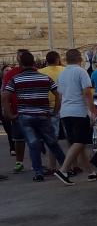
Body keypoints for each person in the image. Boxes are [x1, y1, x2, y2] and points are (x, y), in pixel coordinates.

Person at [1, 52, 71, 183]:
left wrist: (10, 114)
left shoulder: (16, 79)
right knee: (52, 142)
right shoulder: (44, 78)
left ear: (21, 63)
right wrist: (55, 111)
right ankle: (65, 168)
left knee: (33, 144)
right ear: (33, 62)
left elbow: (4, 96)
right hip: (43, 115)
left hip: (25, 116)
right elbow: (58, 94)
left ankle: (38, 173)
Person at [57, 49, 97, 182]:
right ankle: (63, 170)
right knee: (80, 141)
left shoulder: (62, 74)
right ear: (80, 58)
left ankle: (91, 172)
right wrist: (93, 111)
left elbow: (60, 95)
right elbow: (87, 92)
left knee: (77, 143)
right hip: (78, 111)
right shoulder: (81, 71)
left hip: (65, 112)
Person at [38, 51, 65, 173]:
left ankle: (51, 166)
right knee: (69, 138)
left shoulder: (39, 72)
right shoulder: (64, 70)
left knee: (51, 138)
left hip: (46, 108)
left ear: (46, 60)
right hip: (63, 106)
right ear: (57, 59)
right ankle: (72, 164)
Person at [2, 50, 29, 172]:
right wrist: (8, 112)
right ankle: (19, 162)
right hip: (17, 112)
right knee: (19, 139)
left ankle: (36, 163)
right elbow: (4, 94)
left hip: (34, 111)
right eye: (19, 56)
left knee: (36, 139)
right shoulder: (11, 74)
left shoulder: (36, 72)